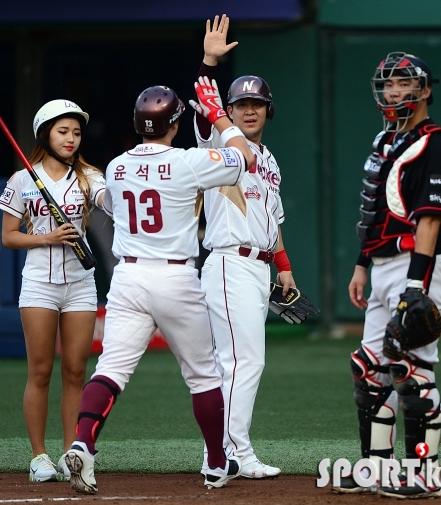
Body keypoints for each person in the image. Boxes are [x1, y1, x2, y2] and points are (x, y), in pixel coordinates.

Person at [64, 82, 256, 494]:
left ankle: (82, 443)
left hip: (128, 277)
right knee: (204, 375)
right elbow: (246, 156)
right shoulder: (189, 161)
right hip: (175, 277)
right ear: (173, 123)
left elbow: (111, 202)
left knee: (111, 370)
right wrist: (218, 115)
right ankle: (218, 464)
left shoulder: (116, 165)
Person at [332, 52, 441, 499]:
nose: (393, 92)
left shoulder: (432, 143)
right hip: (383, 264)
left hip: (416, 266)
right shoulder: (386, 140)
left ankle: (424, 475)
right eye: (388, 84)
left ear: (423, 90)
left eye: (403, 83)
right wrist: (363, 264)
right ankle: (375, 470)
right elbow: (376, 213)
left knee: (411, 372)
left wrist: (414, 286)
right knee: (369, 369)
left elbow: (429, 222)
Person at [194, 15, 299, 479]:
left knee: (234, 362)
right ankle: (233, 453)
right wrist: (209, 62)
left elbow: (272, 221)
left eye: (257, 103)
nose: (249, 110)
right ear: (230, 111)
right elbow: (204, 108)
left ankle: (218, 454)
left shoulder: (271, 160)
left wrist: (284, 267)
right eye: (241, 104)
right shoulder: (219, 143)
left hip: (257, 267)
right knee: (242, 360)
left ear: (267, 110)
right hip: (227, 262)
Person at [0, 100, 105, 483]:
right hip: (39, 284)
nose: (71, 139)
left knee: (76, 371)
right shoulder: (21, 179)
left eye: (76, 132)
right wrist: (48, 237)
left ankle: (70, 454)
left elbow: (111, 202)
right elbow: (9, 237)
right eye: (63, 131)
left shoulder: (91, 176)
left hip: (80, 284)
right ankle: (39, 456)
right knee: (40, 371)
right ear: (45, 134)